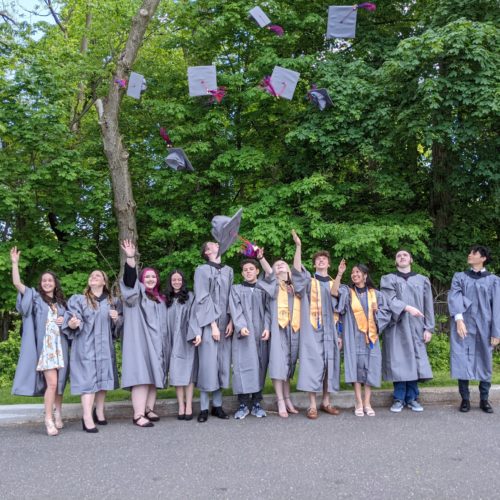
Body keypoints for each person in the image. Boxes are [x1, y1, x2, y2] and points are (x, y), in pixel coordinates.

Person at [10, 247, 69, 436]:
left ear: (55, 283)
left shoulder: (60, 302)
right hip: (46, 349)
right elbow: (18, 284)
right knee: (52, 384)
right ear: (40, 283)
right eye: (44, 280)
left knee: (59, 384)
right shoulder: (36, 299)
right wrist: (14, 264)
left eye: (50, 280)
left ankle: (58, 413)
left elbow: (69, 320)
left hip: (61, 347)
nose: (47, 283)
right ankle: (48, 419)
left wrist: (65, 320)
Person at [63, 269, 122, 433]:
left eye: (98, 275)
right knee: (88, 382)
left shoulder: (112, 302)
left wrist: (116, 318)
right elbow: (73, 319)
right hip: (86, 346)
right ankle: (87, 417)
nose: (93, 277)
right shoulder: (79, 300)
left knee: (103, 380)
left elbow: (116, 328)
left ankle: (99, 412)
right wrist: (73, 323)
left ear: (104, 282)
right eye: (91, 275)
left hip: (104, 346)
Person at [291, 230, 342, 419]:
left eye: (324, 259)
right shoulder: (308, 282)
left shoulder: (335, 284)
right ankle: (312, 405)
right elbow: (296, 270)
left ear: (329, 264)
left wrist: (340, 334)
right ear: (314, 264)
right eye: (318, 259)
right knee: (312, 365)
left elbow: (340, 311)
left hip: (330, 331)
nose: (321, 261)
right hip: (312, 330)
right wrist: (298, 246)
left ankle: (326, 402)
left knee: (329, 366)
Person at [120, 240, 168, 428]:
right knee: (141, 376)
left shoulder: (160, 299)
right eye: (146, 277)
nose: (150, 279)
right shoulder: (136, 294)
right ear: (141, 280)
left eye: (153, 277)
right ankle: (138, 414)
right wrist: (130, 258)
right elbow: (129, 281)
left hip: (157, 342)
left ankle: (148, 408)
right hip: (140, 342)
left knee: (153, 376)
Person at [332, 261, 390, 416]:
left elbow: (386, 314)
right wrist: (339, 273)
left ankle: (367, 402)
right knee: (356, 368)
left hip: (371, 337)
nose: (355, 274)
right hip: (352, 335)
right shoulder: (347, 291)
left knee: (370, 367)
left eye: (358, 272)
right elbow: (333, 291)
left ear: (365, 275)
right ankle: (358, 401)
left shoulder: (376, 294)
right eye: (353, 272)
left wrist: (378, 312)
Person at [380, 250, 434, 413]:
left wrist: (429, 327)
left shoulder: (422, 280)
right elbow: (388, 299)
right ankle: (398, 398)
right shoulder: (388, 279)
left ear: (411, 259)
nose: (402, 257)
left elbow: (428, 305)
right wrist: (407, 307)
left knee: (415, 361)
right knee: (399, 362)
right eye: (398, 255)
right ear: (396, 261)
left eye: (405, 255)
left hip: (417, 326)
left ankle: (412, 398)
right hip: (397, 326)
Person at [448, 245, 500, 413]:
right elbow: (454, 297)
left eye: (474, 253)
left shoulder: (493, 280)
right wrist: (459, 319)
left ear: (483, 258)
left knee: (485, 361)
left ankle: (484, 399)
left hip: (485, 326)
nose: (470, 255)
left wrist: (496, 332)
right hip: (463, 325)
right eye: (469, 252)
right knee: (462, 359)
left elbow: (497, 307)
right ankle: (465, 399)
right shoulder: (460, 277)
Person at [189, 241, 234, 422]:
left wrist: (231, 320)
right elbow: (202, 297)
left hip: (226, 324)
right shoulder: (202, 270)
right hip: (208, 324)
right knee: (208, 366)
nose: (217, 244)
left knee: (222, 366)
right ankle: (204, 408)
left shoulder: (228, 270)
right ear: (207, 251)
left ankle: (218, 406)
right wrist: (213, 325)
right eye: (212, 244)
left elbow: (231, 295)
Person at [229, 251, 274, 419]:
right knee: (242, 366)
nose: (248, 272)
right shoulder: (236, 289)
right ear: (242, 273)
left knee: (260, 366)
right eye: (245, 270)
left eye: (251, 269)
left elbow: (269, 310)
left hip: (261, 333)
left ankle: (256, 403)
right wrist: (240, 326)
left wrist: (268, 327)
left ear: (257, 271)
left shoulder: (264, 288)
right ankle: (242, 404)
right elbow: (235, 309)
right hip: (244, 334)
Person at [267, 259, 300, 418]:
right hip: (277, 328)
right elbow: (266, 310)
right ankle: (280, 400)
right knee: (278, 364)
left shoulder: (296, 287)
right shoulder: (271, 284)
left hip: (293, 329)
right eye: (276, 264)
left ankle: (287, 399)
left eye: (283, 263)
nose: (279, 264)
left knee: (288, 365)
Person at [165, 269, 198, 421]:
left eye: (179, 279)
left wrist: (195, 333)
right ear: (170, 282)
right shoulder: (165, 299)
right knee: (177, 372)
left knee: (188, 373)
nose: (176, 282)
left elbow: (195, 316)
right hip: (172, 339)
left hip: (187, 339)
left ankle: (189, 405)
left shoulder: (190, 296)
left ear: (183, 281)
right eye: (174, 280)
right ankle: (181, 405)